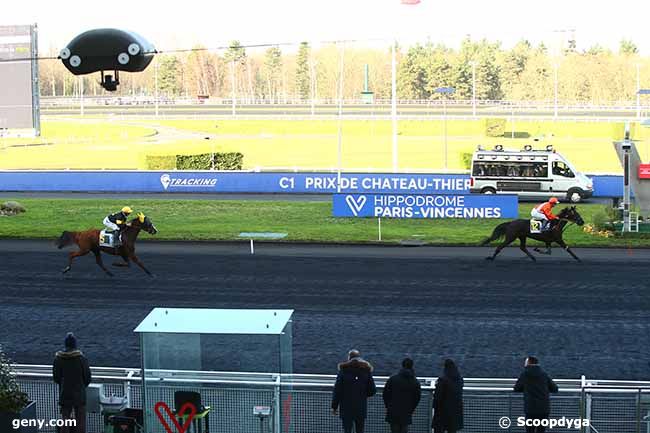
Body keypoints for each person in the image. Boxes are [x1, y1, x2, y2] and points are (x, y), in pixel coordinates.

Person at [53, 333, 92, 433]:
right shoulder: (81, 359)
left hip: (65, 393)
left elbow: (56, 378)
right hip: (79, 394)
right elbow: (87, 378)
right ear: (75, 345)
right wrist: (82, 386)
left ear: (65, 344)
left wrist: (63, 386)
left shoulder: (58, 359)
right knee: (80, 421)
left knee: (65, 420)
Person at [331, 349, 377, 433]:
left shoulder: (343, 371)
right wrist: (363, 395)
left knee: (347, 429)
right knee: (360, 430)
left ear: (349, 358)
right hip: (360, 406)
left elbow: (337, 390)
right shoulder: (366, 370)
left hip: (346, 407)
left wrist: (334, 407)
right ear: (359, 358)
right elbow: (373, 390)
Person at [514, 356, 558, 433]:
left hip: (530, 409)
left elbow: (516, 388)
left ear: (528, 363)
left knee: (530, 430)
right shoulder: (544, 374)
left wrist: (526, 388)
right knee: (541, 430)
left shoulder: (525, 374)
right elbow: (554, 389)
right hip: (544, 409)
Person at [383, 357, 421, 433]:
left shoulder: (393, 379)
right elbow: (417, 398)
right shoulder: (415, 382)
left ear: (402, 365)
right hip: (407, 410)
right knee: (404, 428)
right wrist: (411, 409)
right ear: (412, 366)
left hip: (393, 409)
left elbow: (385, 394)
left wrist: (388, 406)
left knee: (394, 429)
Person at [432, 359, 464, 433]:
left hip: (442, 412)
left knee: (439, 429)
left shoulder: (443, 380)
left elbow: (438, 397)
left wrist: (434, 405)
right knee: (452, 430)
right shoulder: (460, 380)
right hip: (455, 411)